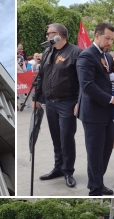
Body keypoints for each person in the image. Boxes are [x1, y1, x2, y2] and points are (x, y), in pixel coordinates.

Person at [76, 22, 114, 196]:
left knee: (105, 151)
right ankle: (95, 189)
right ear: (96, 36)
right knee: (95, 153)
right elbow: (87, 85)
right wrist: (113, 99)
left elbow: (109, 80)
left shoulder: (108, 57)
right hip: (93, 113)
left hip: (107, 111)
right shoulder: (86, 56)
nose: (109, 42)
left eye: (112, 39)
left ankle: (98, 182)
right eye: (107, 38)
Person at [35, 23, 82, 189]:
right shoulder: (48, 52)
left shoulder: (75, 52)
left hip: (67, 103)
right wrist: (37, 97)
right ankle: (58, 167)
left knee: (66, 138)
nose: (46, 36)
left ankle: (68, 171)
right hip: (51, 103)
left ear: (58, 35)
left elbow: (81, 81)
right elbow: (41, 76)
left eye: (49, 34)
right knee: (56, 137)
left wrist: (78, 102)